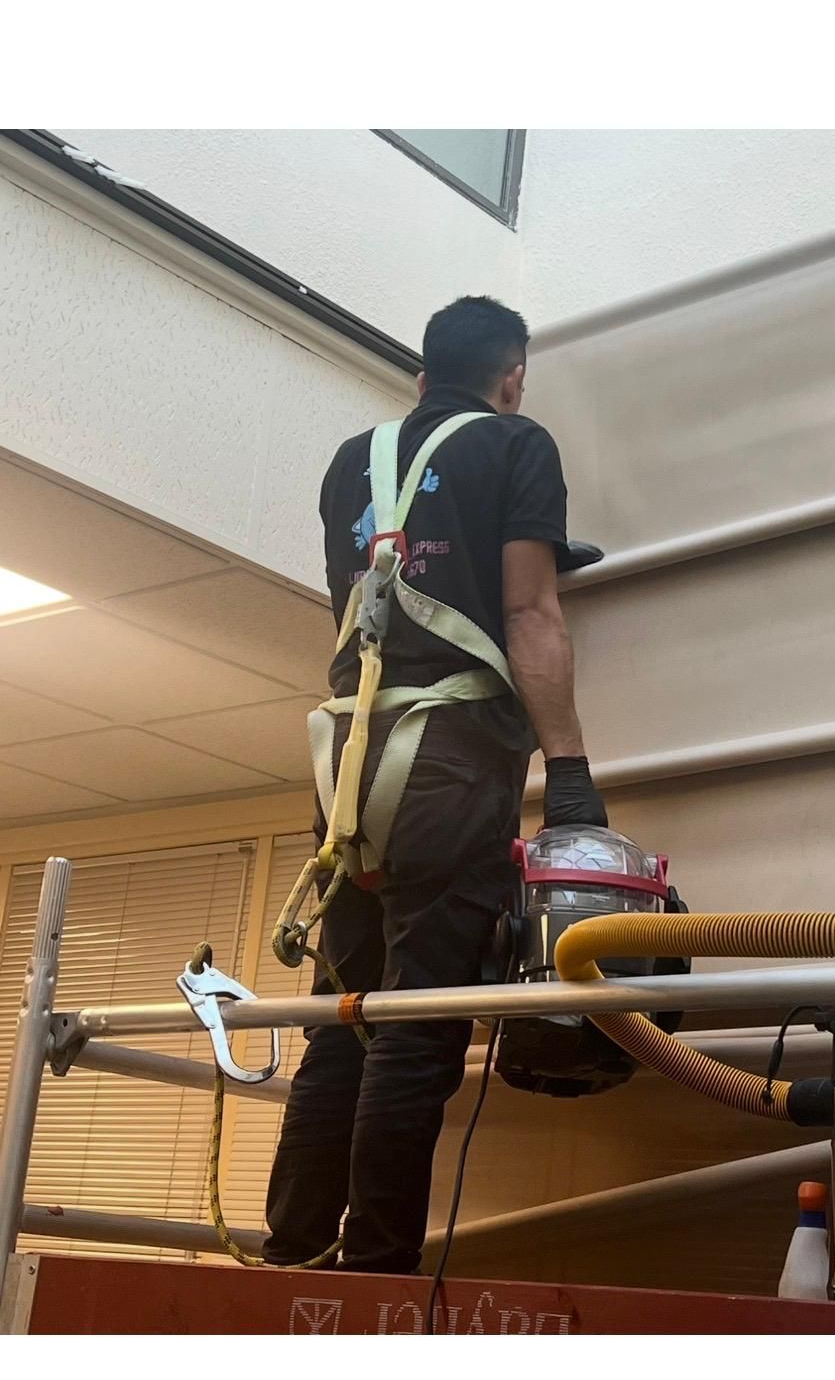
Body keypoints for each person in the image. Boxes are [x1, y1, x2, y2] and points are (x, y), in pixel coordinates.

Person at [261, 295, 608, 1274]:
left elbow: (397, 582)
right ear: (512, 380)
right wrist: (571, 776)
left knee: (345, 1014)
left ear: (420, 379)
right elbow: (530, 609)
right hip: (449, 760)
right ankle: (372, 1279)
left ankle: (290, 1259)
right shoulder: (517, 445)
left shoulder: (350, 463)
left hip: (348, 763)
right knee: (416, 1024)